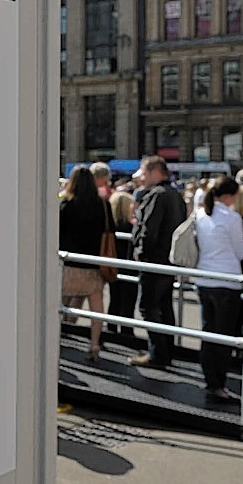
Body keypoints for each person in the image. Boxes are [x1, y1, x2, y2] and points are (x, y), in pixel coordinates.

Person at [196, 178, 243, 403]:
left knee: (208, 333)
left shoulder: (202, 214)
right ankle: (218, 384)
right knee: (224, 336)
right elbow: (240, 252)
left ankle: (211, 381)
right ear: (231, 196)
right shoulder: (231, 218)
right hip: (227, 280)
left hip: (205, 278)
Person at [130, 156, 187, 369]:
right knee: (164, 306)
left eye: (144, 173)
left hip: (154, 260)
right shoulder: (175, 195)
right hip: (169, 260)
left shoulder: (156, 195)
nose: (141, 178)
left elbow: (148, 229)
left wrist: (140, 254)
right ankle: (166, 350)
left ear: (155, 172)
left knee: (148, 306)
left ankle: (157, 353)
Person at [59, 166, 114, 360]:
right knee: (97, 307)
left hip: (70, 263)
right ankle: (94, 344)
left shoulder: (66, 205)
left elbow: (58, 234)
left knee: (61, 303)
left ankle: (58, 338)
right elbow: (110, 231)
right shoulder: (103, 205)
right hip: (94, 263)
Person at [106, 185, 138, 338]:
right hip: (129, 268)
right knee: (128, 303)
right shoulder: (131, 228)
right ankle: (127, 332)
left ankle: (111, 328)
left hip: (113, 266)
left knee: (114, 299)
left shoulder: (110, 227)